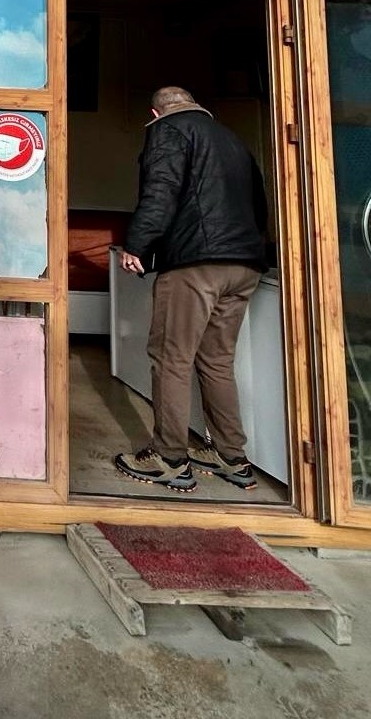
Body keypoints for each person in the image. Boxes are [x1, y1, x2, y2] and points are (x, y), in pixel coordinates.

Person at [114, 86, 268, 493]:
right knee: (217, 361)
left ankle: (168, 459)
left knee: (172, 358)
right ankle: (231, 457)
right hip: (245, 264)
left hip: (196, 265)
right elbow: (259, 204)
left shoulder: (168, 130)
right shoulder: (233, 140)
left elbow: (160, 191)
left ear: (155, 112)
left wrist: (136, 244)